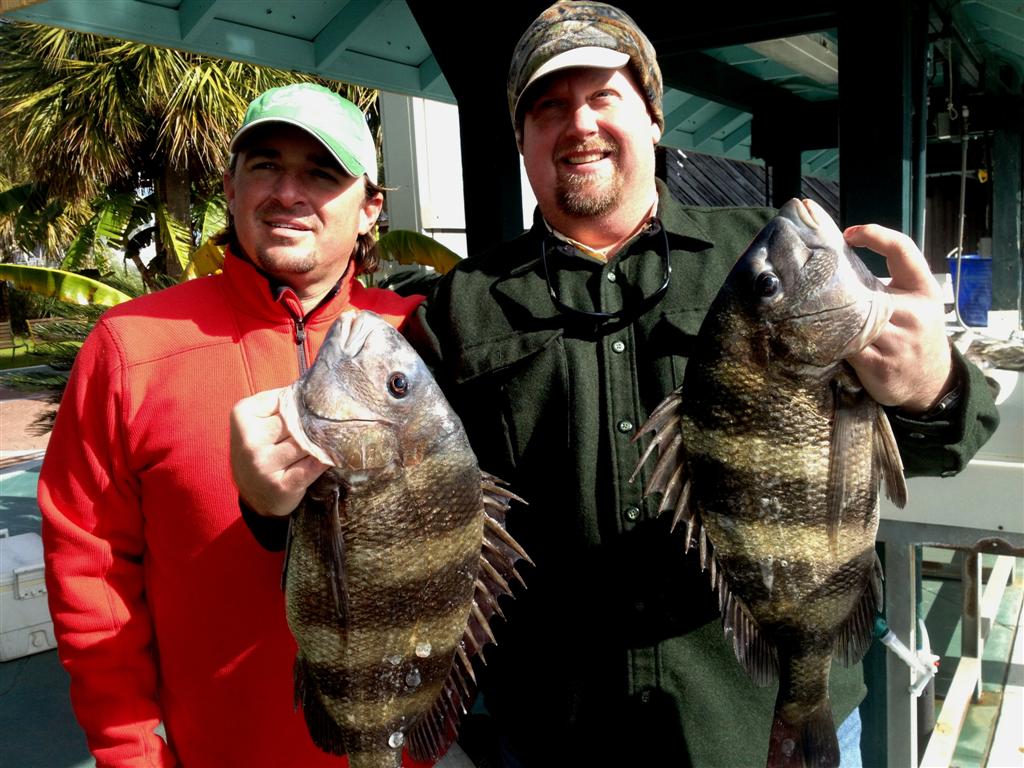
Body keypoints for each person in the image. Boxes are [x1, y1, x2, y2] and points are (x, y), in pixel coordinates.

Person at [232, 4, 1000, 767]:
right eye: (548, 107)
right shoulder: (460, 309)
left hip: (759, 720)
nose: (579, 124)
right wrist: (269, 503)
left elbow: (947, 443)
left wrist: (933, 383)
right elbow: (373, 507)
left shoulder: (769, 263)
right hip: (556, 737)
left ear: (653, 116)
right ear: (523, 140)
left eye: (604, 96)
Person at [38, 83, 425, 767]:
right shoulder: (130, 345)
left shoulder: (425, 335)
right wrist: (129, 752)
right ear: (231, 187)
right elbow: (89, 574)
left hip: (395, 747)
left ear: (371, 210)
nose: (287, 192)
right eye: (266, 165)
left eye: (322, 173)